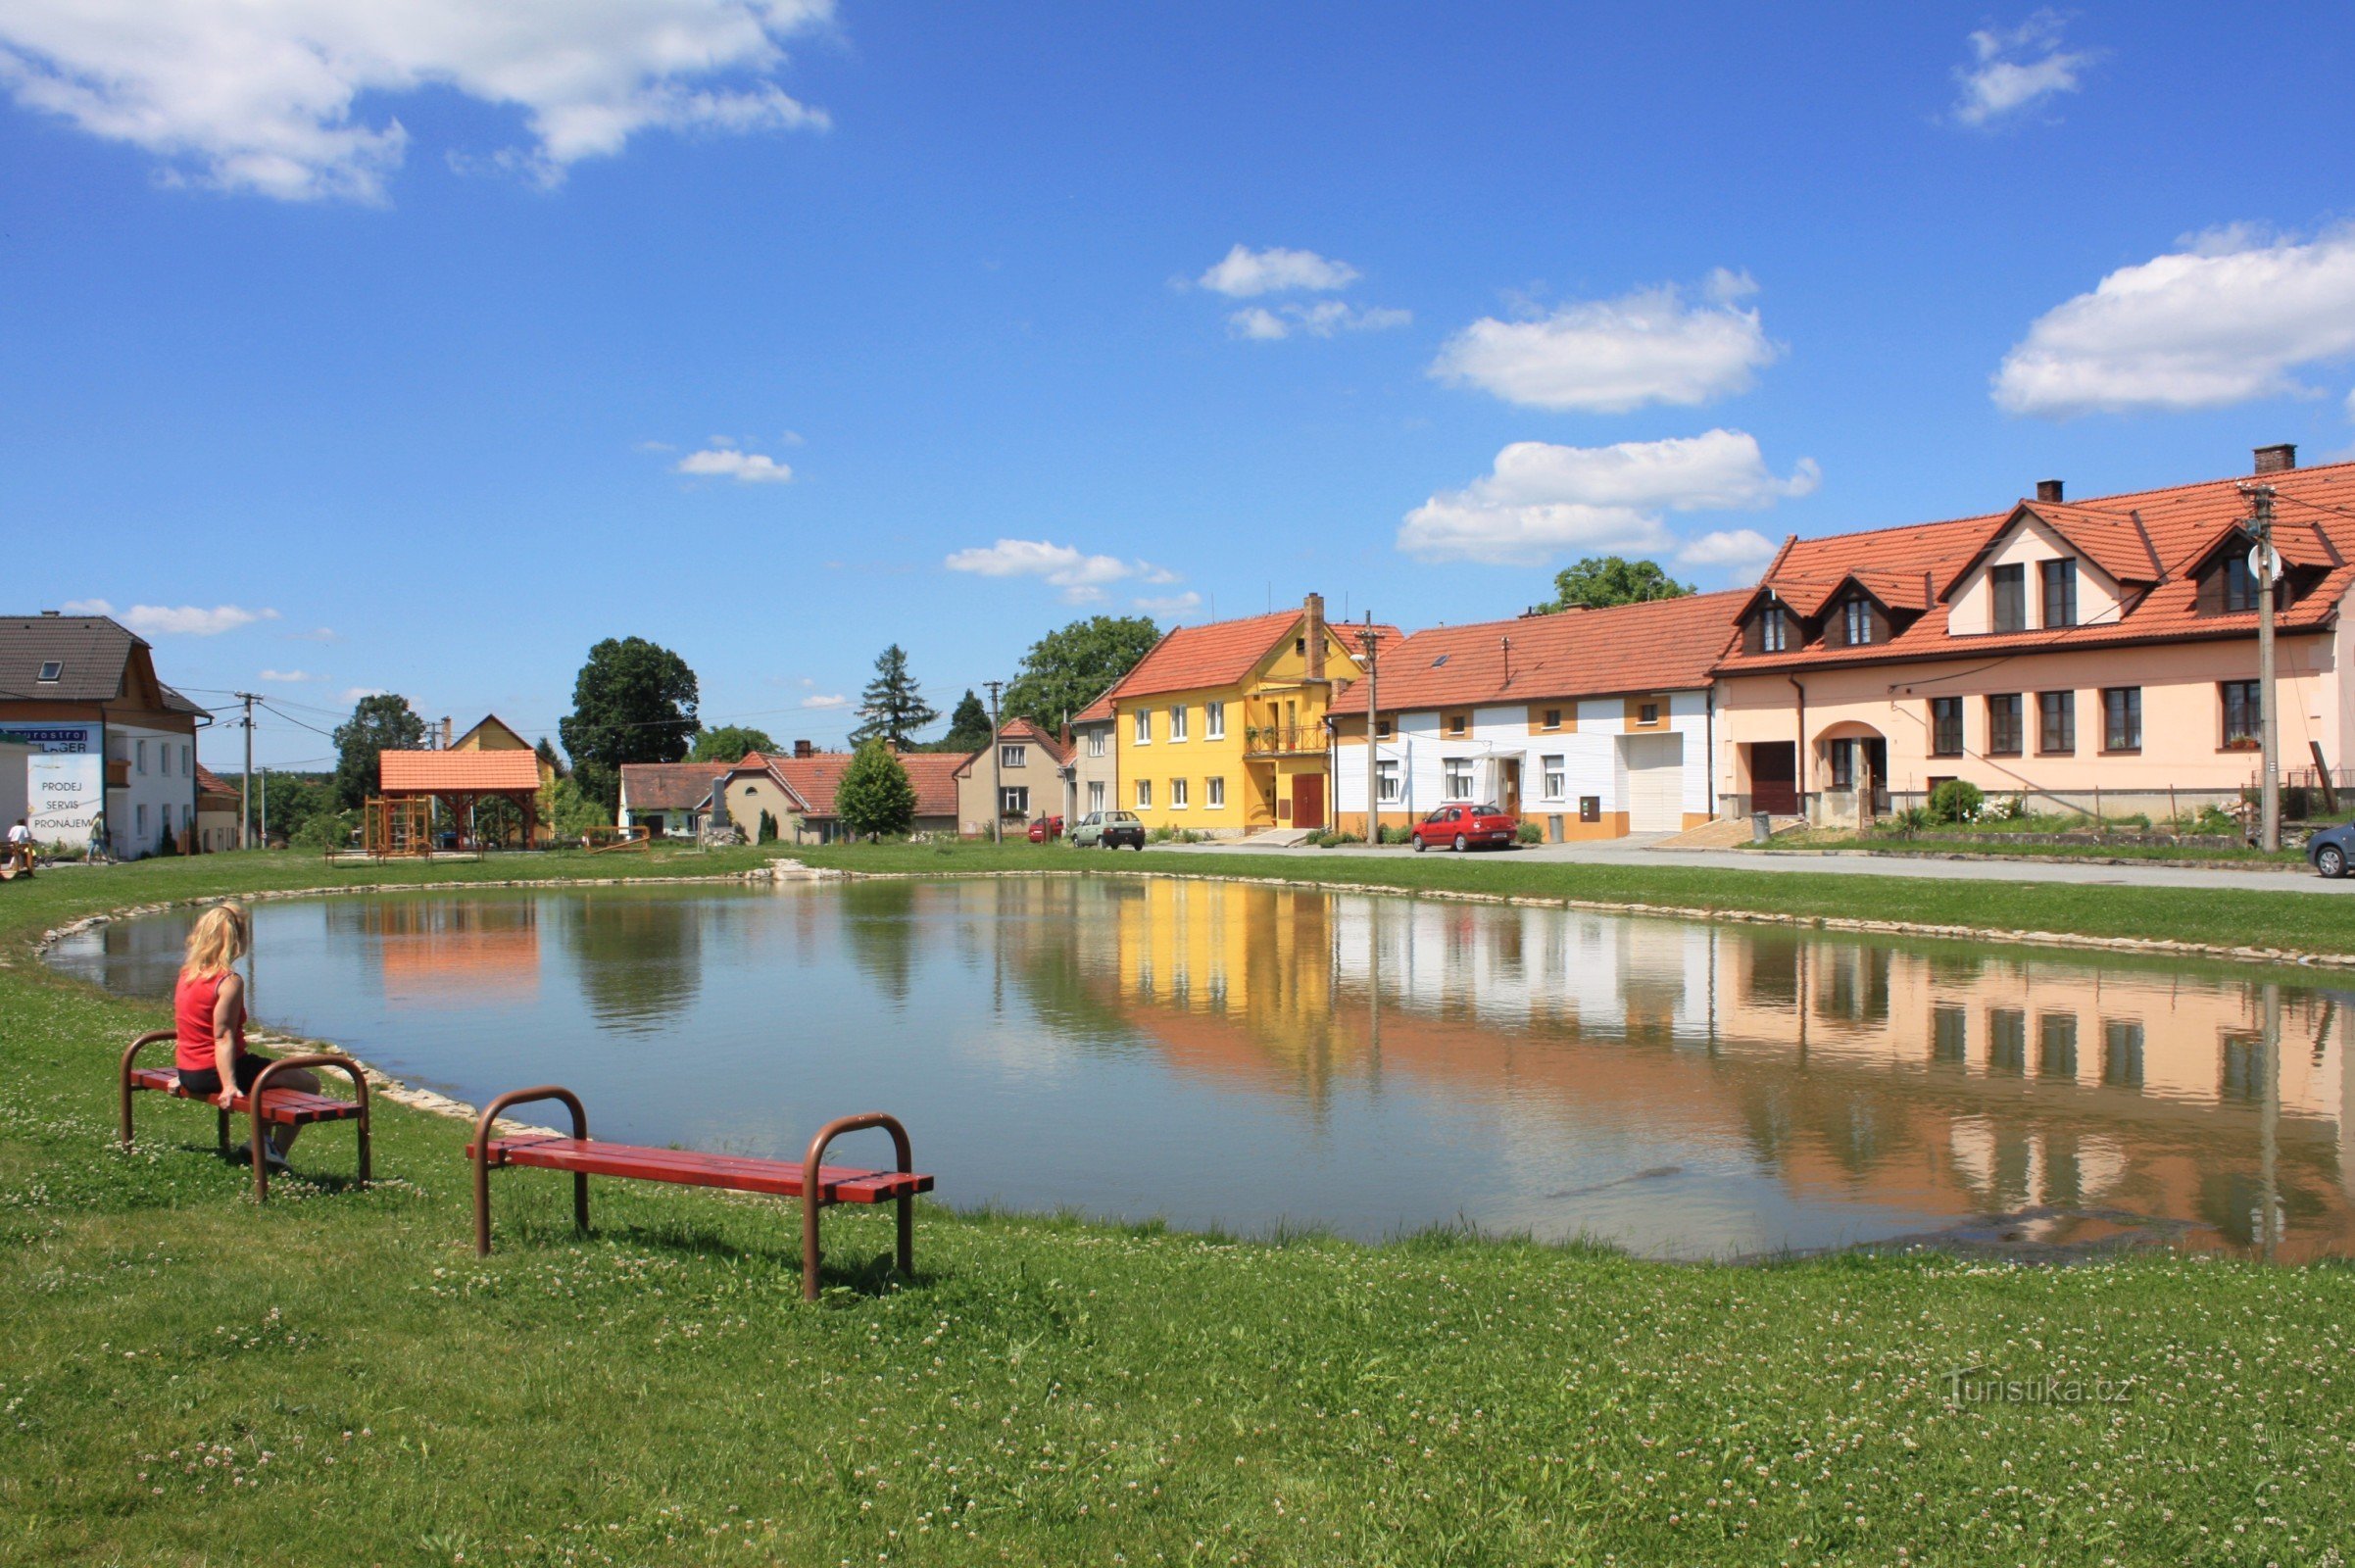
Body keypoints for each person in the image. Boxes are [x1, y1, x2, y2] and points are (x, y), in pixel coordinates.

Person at [172, 906, 314, 1169]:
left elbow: (189, 1026)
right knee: (308, 1084)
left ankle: (261, 1140)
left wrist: (182, 1072)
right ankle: (273, 1152)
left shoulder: (186, 975)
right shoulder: (228, 981)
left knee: (269, 1077)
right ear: (238, 940)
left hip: (190, 1069)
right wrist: (228, 1085)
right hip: (217, 1070)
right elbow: (223, 1035)